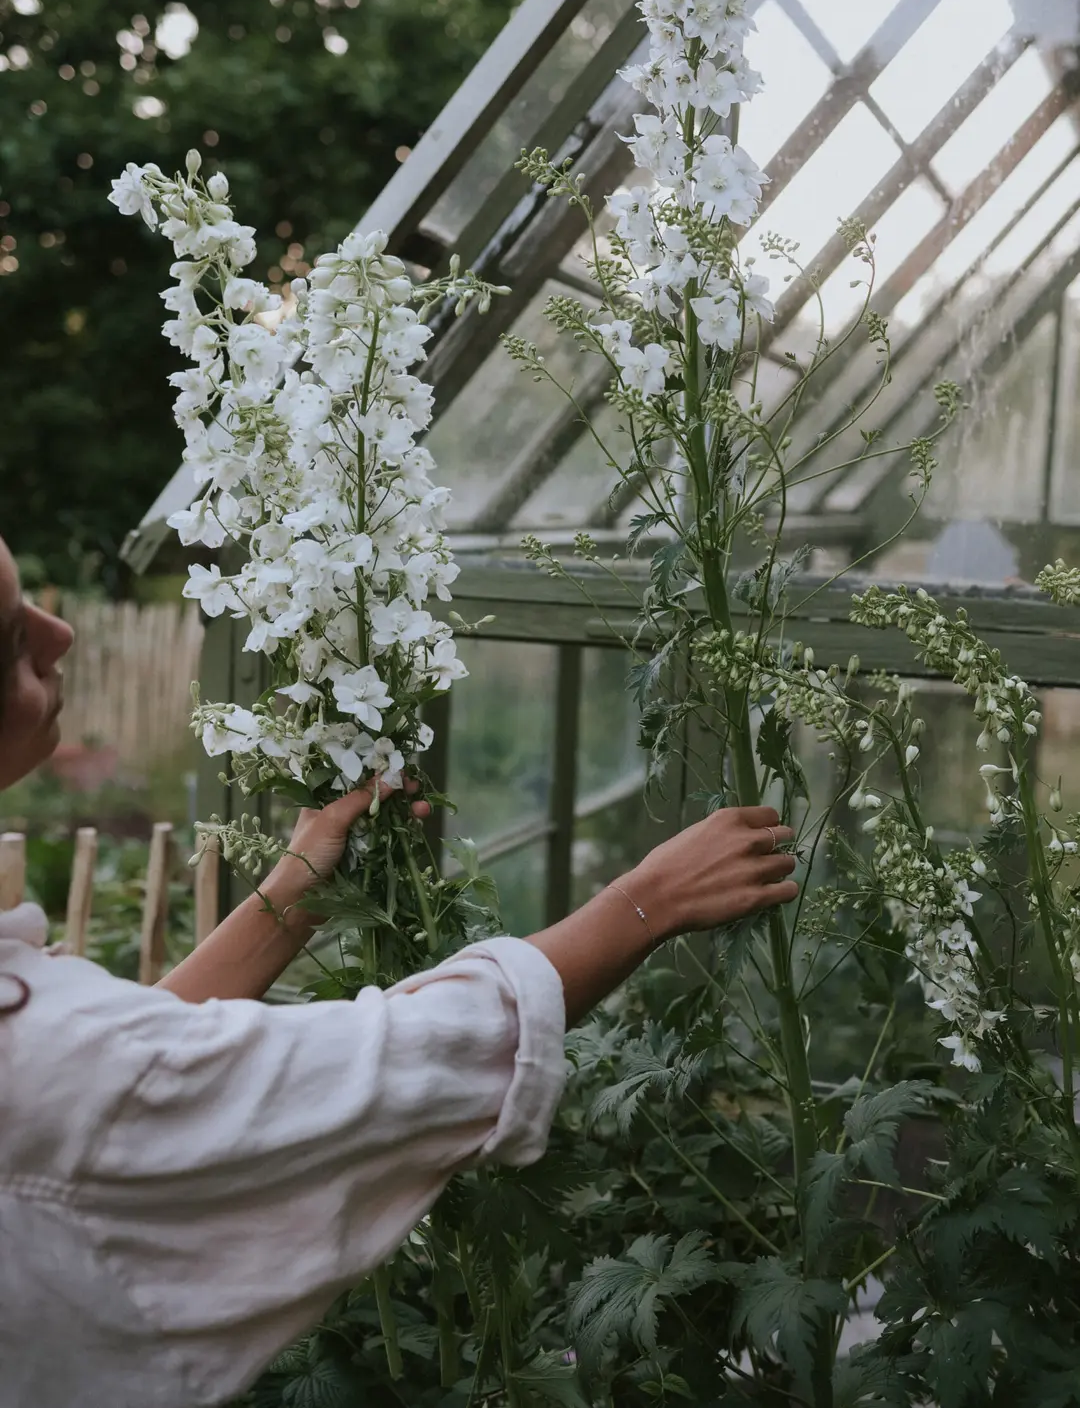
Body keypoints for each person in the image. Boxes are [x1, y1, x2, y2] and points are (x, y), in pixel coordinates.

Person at [0, 534, 798, 1407]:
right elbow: (404, 1064)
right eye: (10, 634)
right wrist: (645, 904)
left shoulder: (54, 1058)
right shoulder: (40, 1060)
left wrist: (293, 898)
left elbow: (124, 1073)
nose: (59, 633)